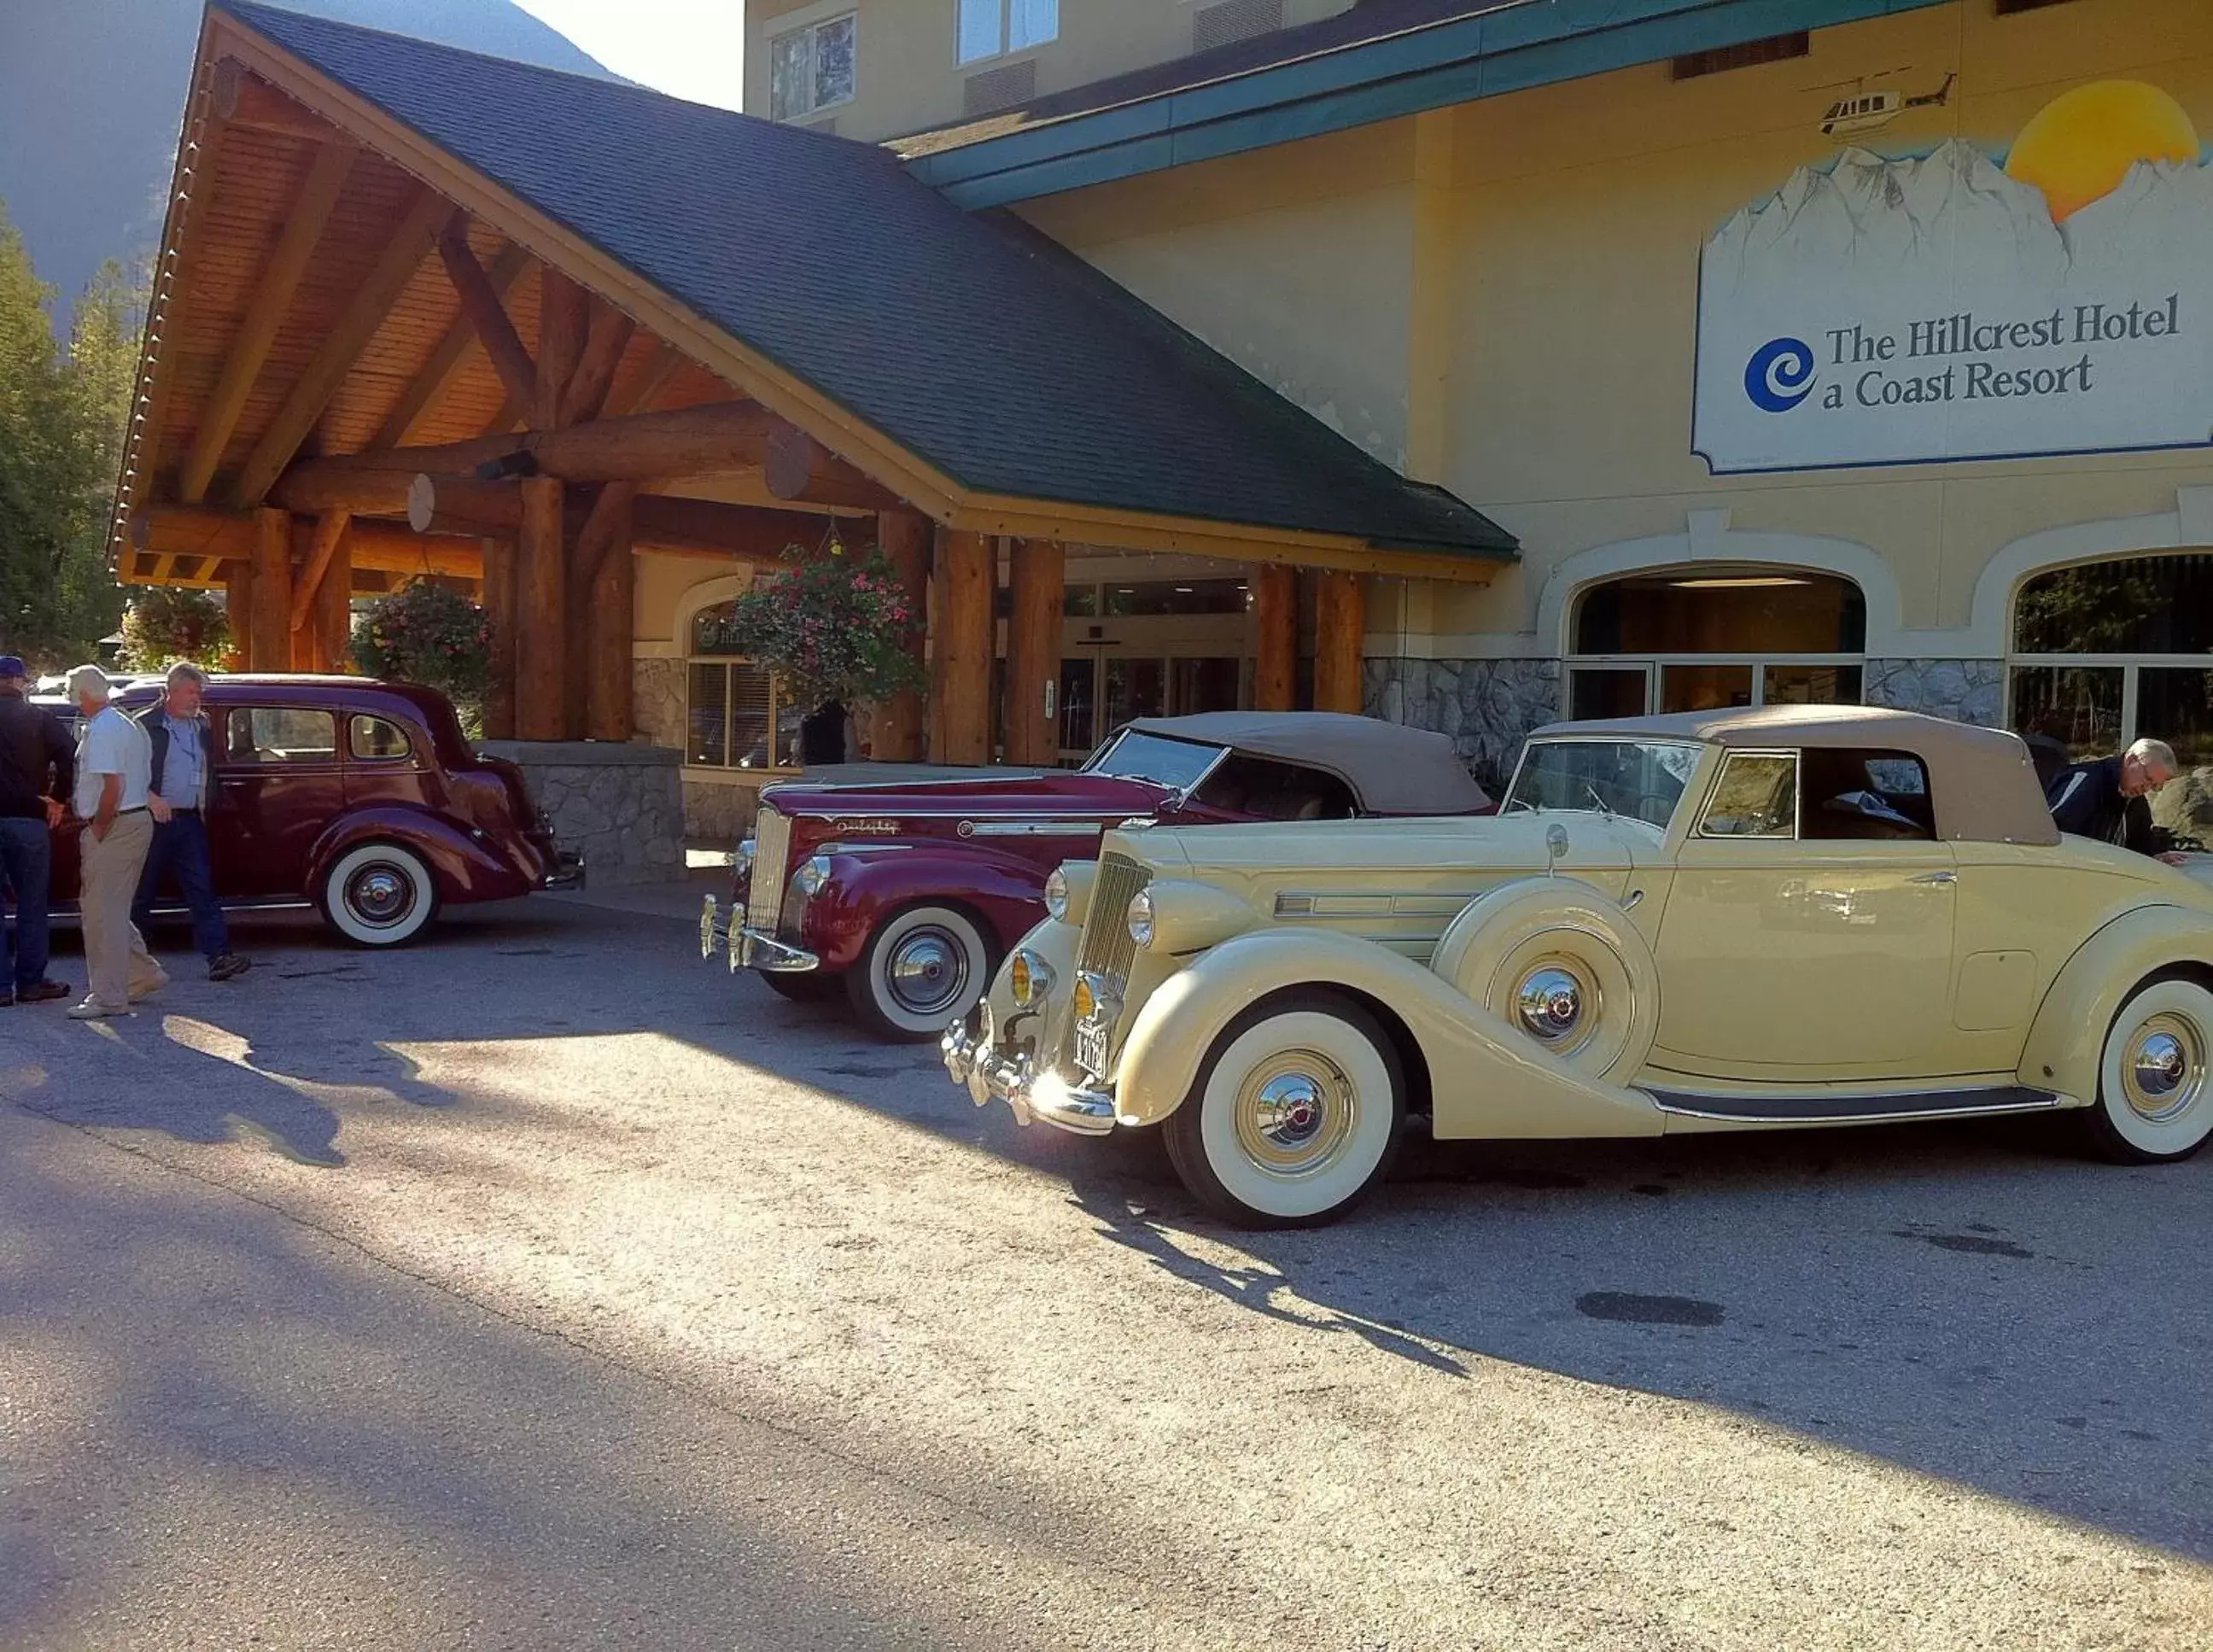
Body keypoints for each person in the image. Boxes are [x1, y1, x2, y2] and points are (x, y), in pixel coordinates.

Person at [134, 663, 249, 982]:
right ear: (170, 691)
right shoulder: (145, 725)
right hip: (152, 819)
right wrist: (149, 797)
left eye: (198, 693)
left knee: (202, 889)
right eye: (189, 692)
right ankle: (133, 964)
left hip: (188, 820)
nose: (195, 699)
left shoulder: (202, 726)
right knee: (141, 893)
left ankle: (219, 957)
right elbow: (124, 772)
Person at [67, 664, 166, 1019]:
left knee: (101, 915)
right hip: (133, 820)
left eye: (71, 691)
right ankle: (142, 974)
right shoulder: (127, 723)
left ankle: (108, 997)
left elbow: (114, 786)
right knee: (108, 909)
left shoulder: (105, 728)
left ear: (82, 694)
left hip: (116, 823)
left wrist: (99, 827)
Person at [0, 654, 75, 1007]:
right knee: (32, 903)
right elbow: (69, 757)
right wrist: (56, 799)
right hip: (30, 819)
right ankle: (30, 982)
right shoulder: (39, 718)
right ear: (19, 682)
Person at [2047, 736, 2190, 866]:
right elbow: (2051, 831)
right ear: (2130, 760)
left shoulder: (2134, 797)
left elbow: (2142, 841)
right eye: (2148, 778)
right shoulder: (2087, 781)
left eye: (2154, 786)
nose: (2146, 788)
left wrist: (2156, 854)